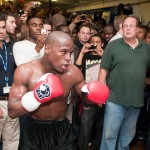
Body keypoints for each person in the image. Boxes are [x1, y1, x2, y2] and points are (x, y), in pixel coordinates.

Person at [8, 31, 108, 150]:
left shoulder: (73, 73)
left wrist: (92, 94)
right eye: (63, 51)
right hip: (33, 132)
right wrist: (36, 97)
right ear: (47, 49)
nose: (68, 58)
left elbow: (87, 101)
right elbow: (12, 112)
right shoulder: (25, 71)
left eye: (70, 53)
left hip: (62, 132)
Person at [98, 16, 150, 150]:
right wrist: (99, 93)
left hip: (136, 100)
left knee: (127, 136)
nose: (127, 28)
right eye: (125, 26)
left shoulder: (146, 48)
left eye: (131, 26)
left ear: (137, 29)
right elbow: (104, 69)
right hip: (114, 98)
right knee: (109, 135)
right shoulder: (113, 45)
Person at [75, 34, 104, 150]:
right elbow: (76, 70)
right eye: (93, 42)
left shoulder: (106, 56)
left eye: (98, 42)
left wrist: (104, 55)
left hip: (103, 95)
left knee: (101, 126)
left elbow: (113, 71)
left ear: (102, 44)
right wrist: (82, 52)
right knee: (85, 127)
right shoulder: (86, 56)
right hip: (89, 96)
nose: (96, 44)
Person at [0, 14, 19, 150]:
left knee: (12, 142)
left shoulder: (10, 47)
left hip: (12, 101)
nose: (1, 31)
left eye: (2, 27)